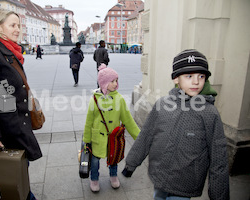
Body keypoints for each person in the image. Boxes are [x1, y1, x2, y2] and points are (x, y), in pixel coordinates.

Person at [122, 49, 229, 200]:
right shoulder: (162, 105)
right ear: (176, 79)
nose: (196, 81)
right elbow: (146, 135)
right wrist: (131, 163)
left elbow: (219, 157)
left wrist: (219, 195)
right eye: (189, 76)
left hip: (185, 184)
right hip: (159, 177)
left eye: (201, 76)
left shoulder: (209, 113)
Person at [0, 9, 42, 200]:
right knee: (14, 180)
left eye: (18, 25)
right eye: (13, 25)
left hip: (16, 126)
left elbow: (2, 94)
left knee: (19, 177)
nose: (18, 29)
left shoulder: (10, 53)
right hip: (6, 133)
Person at [83, 65, 140, 193]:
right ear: (104, 83)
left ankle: (113, 176)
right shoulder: (94, 100)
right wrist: (87, 139)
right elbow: (89, 122)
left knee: (113, 158)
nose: (116, 84)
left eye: (116, 81)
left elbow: (128, 120)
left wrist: (139, 136)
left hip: (114, 137)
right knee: (95, 160)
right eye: (113, 81)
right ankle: (94, 179)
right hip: (98, 137)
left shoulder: (119, 99)